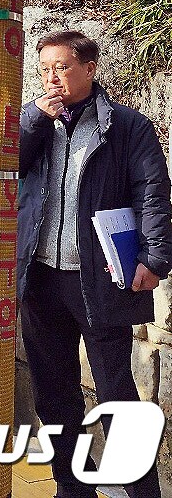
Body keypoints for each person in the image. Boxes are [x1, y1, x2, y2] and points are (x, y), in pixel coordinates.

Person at [18, 30, 172, 498]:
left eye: (62, 67)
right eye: (44, 69)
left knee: (116, 394)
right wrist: (34, 125)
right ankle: (72, 486)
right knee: (53, 392)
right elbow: (9, 167)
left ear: (90, 68)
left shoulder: (126, 127)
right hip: (41, 277)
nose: (52, 78)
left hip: (101, 278)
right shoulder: (33, 123)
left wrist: (155, 258)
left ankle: (139, 492)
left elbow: (152, 192)